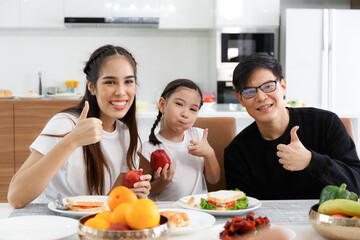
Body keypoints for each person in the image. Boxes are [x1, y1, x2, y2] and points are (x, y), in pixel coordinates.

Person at [8, 45, 151, 208]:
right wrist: (72, 140)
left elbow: (108, 201)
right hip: (49, 220)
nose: (121, 91)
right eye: (110, 82)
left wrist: (132, 192)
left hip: (90, 225)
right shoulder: (64, 124)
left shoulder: (126, 134)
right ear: (91, 86)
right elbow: (16, 197)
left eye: (129, 81)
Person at [224, 52, 360, 200]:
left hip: (328, 220)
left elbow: (357, 183)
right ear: (241, 99)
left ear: (283, 86)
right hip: (271, 223)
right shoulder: (236, 152)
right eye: (249, 91)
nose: (261, 97)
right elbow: (246, 212)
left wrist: (311, 160)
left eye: (268, 86)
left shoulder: (326, 123)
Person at [139, 79, 220, 201]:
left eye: (192, 109)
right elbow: (145, 190)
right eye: (179, 104)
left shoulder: (198, 137)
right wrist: (162, 182)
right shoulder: (148, 148)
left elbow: (214, 179)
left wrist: (209, 154)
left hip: (197, 209)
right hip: (167, 212)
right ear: (162, 105)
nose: (185, 114)